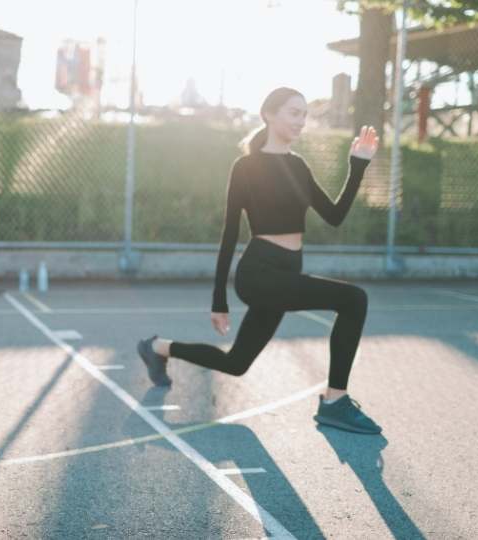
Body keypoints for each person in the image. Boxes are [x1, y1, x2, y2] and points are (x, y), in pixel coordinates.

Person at [137, 87, 382, 435]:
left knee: (235, 363)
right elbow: (230, 232)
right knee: (353, 299)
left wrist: (357, 165)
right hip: (259, 272)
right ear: (269, 114)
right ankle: (335, 401)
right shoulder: (246, 167)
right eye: (294, 113)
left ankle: (157, 347)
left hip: (286, 272)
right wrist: (219, 299)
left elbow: (335, 216)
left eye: (304, 114)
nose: (301, 121)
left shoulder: (298, 166)